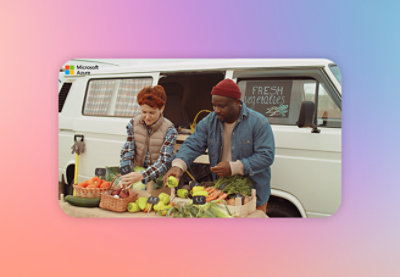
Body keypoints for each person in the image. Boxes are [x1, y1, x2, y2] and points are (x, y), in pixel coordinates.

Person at [163, 79, 275, 213]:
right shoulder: (209, 122)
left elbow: (266, 156)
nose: (216, 110)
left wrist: (234, 167)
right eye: (214, 105)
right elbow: (193, 144)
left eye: (222, 106)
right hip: (221, 190)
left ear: (237, 103)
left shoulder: (258, 123)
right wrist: (178, 166)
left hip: (253, 193)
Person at [119, 85, 178, 187]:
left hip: (158, 180)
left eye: (152, 113)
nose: (147, 117)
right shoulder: (133, 124)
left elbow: (164, 162)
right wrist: (126, 175)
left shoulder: (170, 130)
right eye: (144, 112)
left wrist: (142, 175)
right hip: (136, 178)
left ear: (162, 108)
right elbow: (127, 152)